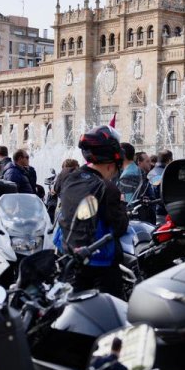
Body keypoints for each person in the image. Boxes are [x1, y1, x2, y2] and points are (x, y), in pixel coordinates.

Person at [56, 126, 128, 297]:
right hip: (100, 265)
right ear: (111, 166)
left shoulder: (70, 178)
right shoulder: (107, 187)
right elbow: (119, 226)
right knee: (110, 317)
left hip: (69, 258)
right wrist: (123, 206)